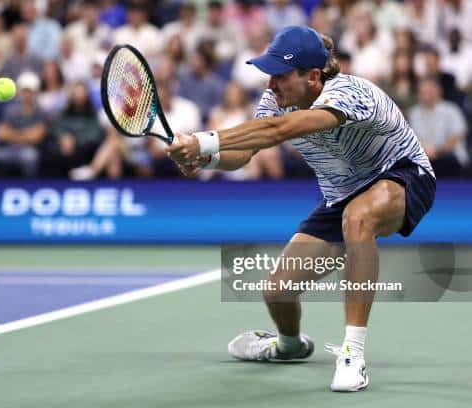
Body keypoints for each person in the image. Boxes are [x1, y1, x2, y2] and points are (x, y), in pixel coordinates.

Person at [167, 26, 436, 392]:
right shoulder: (273, 101)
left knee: (358, 218)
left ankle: (352, 356)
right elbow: (244, 154)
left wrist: (202, 139)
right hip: (340, 196)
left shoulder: (351, 93)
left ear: (312, 78)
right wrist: (207, 158)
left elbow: (279, 131)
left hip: (403, 175)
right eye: (269, 73)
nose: (272, 82)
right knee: (277, 291)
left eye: (281, 74)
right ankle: (289, 345)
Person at [0, 71, 47, 178]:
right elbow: (1, 133)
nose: (27, 94)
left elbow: (37, 137)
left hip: (29, 150)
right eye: (25, 91)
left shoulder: (40, 111)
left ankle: (29, 187)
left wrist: (12, 134)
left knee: (30, 157)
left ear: (35, 92)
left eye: (30, 91)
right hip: (9, 149)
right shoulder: (11, 110)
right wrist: (25, 135)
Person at [409, 77, 468, 177]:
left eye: (429, 91)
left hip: (449, 157)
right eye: (422, 92)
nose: (426, 95)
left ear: (438, 92)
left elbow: (456, 137)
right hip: (423, 158)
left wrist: (437, 151)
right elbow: (412, 138)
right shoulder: (414, 112)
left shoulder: (451, 109)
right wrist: (424, 150)